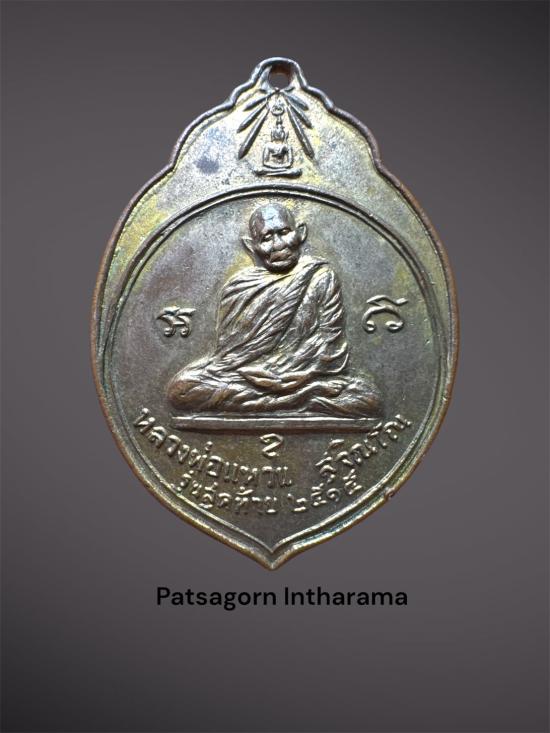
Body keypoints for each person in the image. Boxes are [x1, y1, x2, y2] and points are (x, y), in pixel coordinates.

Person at [167, 204, 382, 418]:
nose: (278, 245)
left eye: (284, 232)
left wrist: (297, 376)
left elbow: (331, 345)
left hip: (307, 376)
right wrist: (261, 376)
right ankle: (302, 399)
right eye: (266, 238)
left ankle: (292, 397)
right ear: (251, 246)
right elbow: (228, 356)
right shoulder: (238, 287)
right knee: (181, 390)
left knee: (368, 398)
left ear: (301, 233)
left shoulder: (321, 277)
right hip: (246, 377)